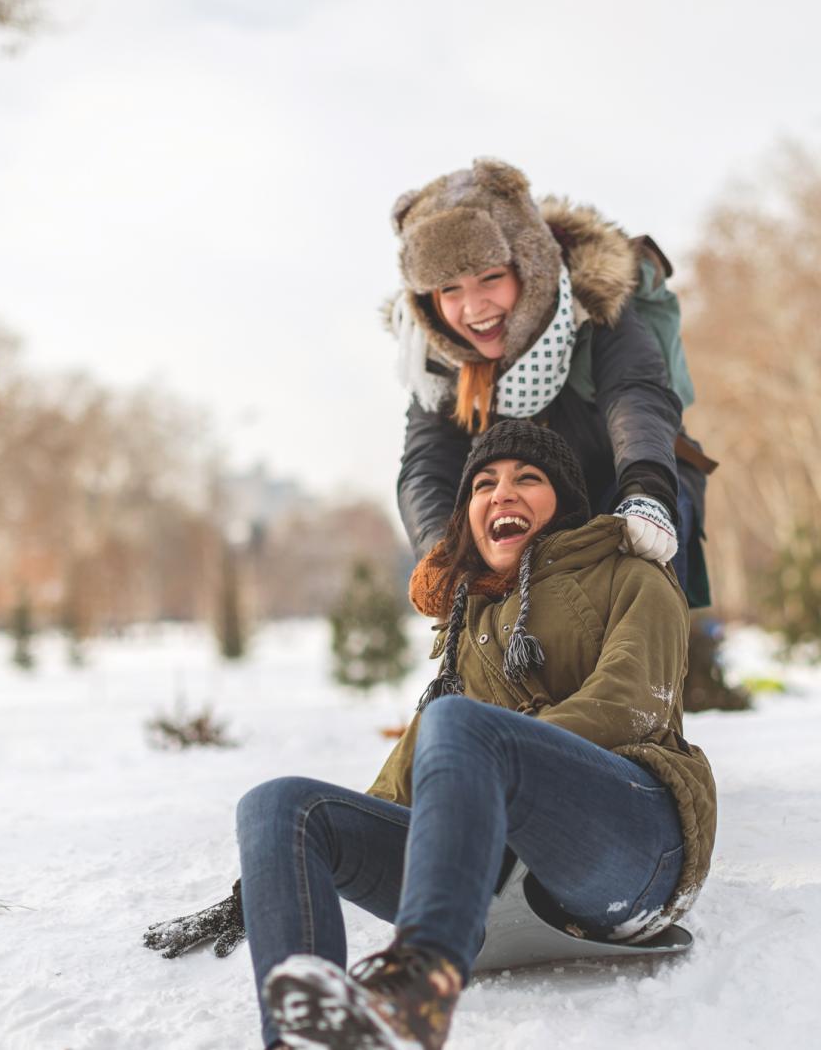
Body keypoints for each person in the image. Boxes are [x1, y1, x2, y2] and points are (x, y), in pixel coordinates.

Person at [144, 421, 717, 1050]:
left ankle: (419, 982)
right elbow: (406, 775)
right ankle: (303, 1034)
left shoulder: (631, 574)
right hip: (501, 873)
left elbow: (630, 705)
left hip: (632, 847)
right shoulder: (471, 623)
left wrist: (497, 757)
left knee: (460, 725)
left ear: (566, 503)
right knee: (278, 805)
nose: (502, 494)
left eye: (528, 478)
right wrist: (272, 878)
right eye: (483, 485)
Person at [389, 158, 714, 607]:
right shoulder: (438, 360)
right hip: (526, 514)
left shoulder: (594, 307)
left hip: (623, 482)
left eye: (490, 278)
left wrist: (647, 493)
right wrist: (440, 552)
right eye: (450, 290)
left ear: (528, 267)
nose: (473, 307)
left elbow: (636, 395)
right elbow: (427, 463)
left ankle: (652, 671)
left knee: (631, 583)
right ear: (428, 300)